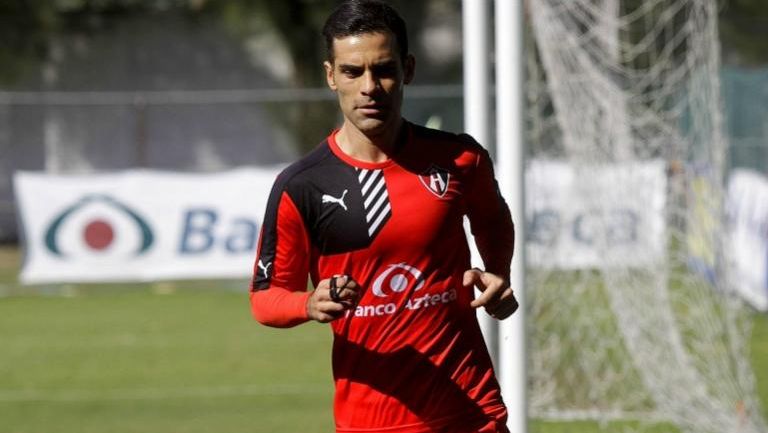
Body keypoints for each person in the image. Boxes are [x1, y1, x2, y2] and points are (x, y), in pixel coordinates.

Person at [249, 1, 518, 432]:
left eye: (384, 70)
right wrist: (308, 303)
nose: (369, 87)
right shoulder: (302, 186)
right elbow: (265, 298)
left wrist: (498, 273)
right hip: (373, 419)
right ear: (331, 75)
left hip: (473, 409)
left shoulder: (460, 158)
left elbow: (491, 218)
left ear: (407, 69)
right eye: (353, 72)